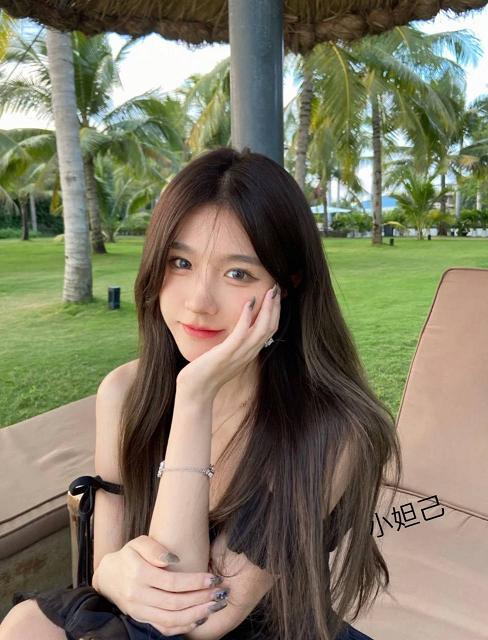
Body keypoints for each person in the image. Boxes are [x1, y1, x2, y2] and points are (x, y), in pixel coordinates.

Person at [0, 146, 401, 640]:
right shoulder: (126, 392)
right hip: (134, 619)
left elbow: (197, 620)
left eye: (238, 273)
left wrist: (194, 397)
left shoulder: (333, 430)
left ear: (286, 286)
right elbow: (106, 568)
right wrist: (108, 575)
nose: (198, 302)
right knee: (24, 625)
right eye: (180, 262)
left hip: (259, 630)